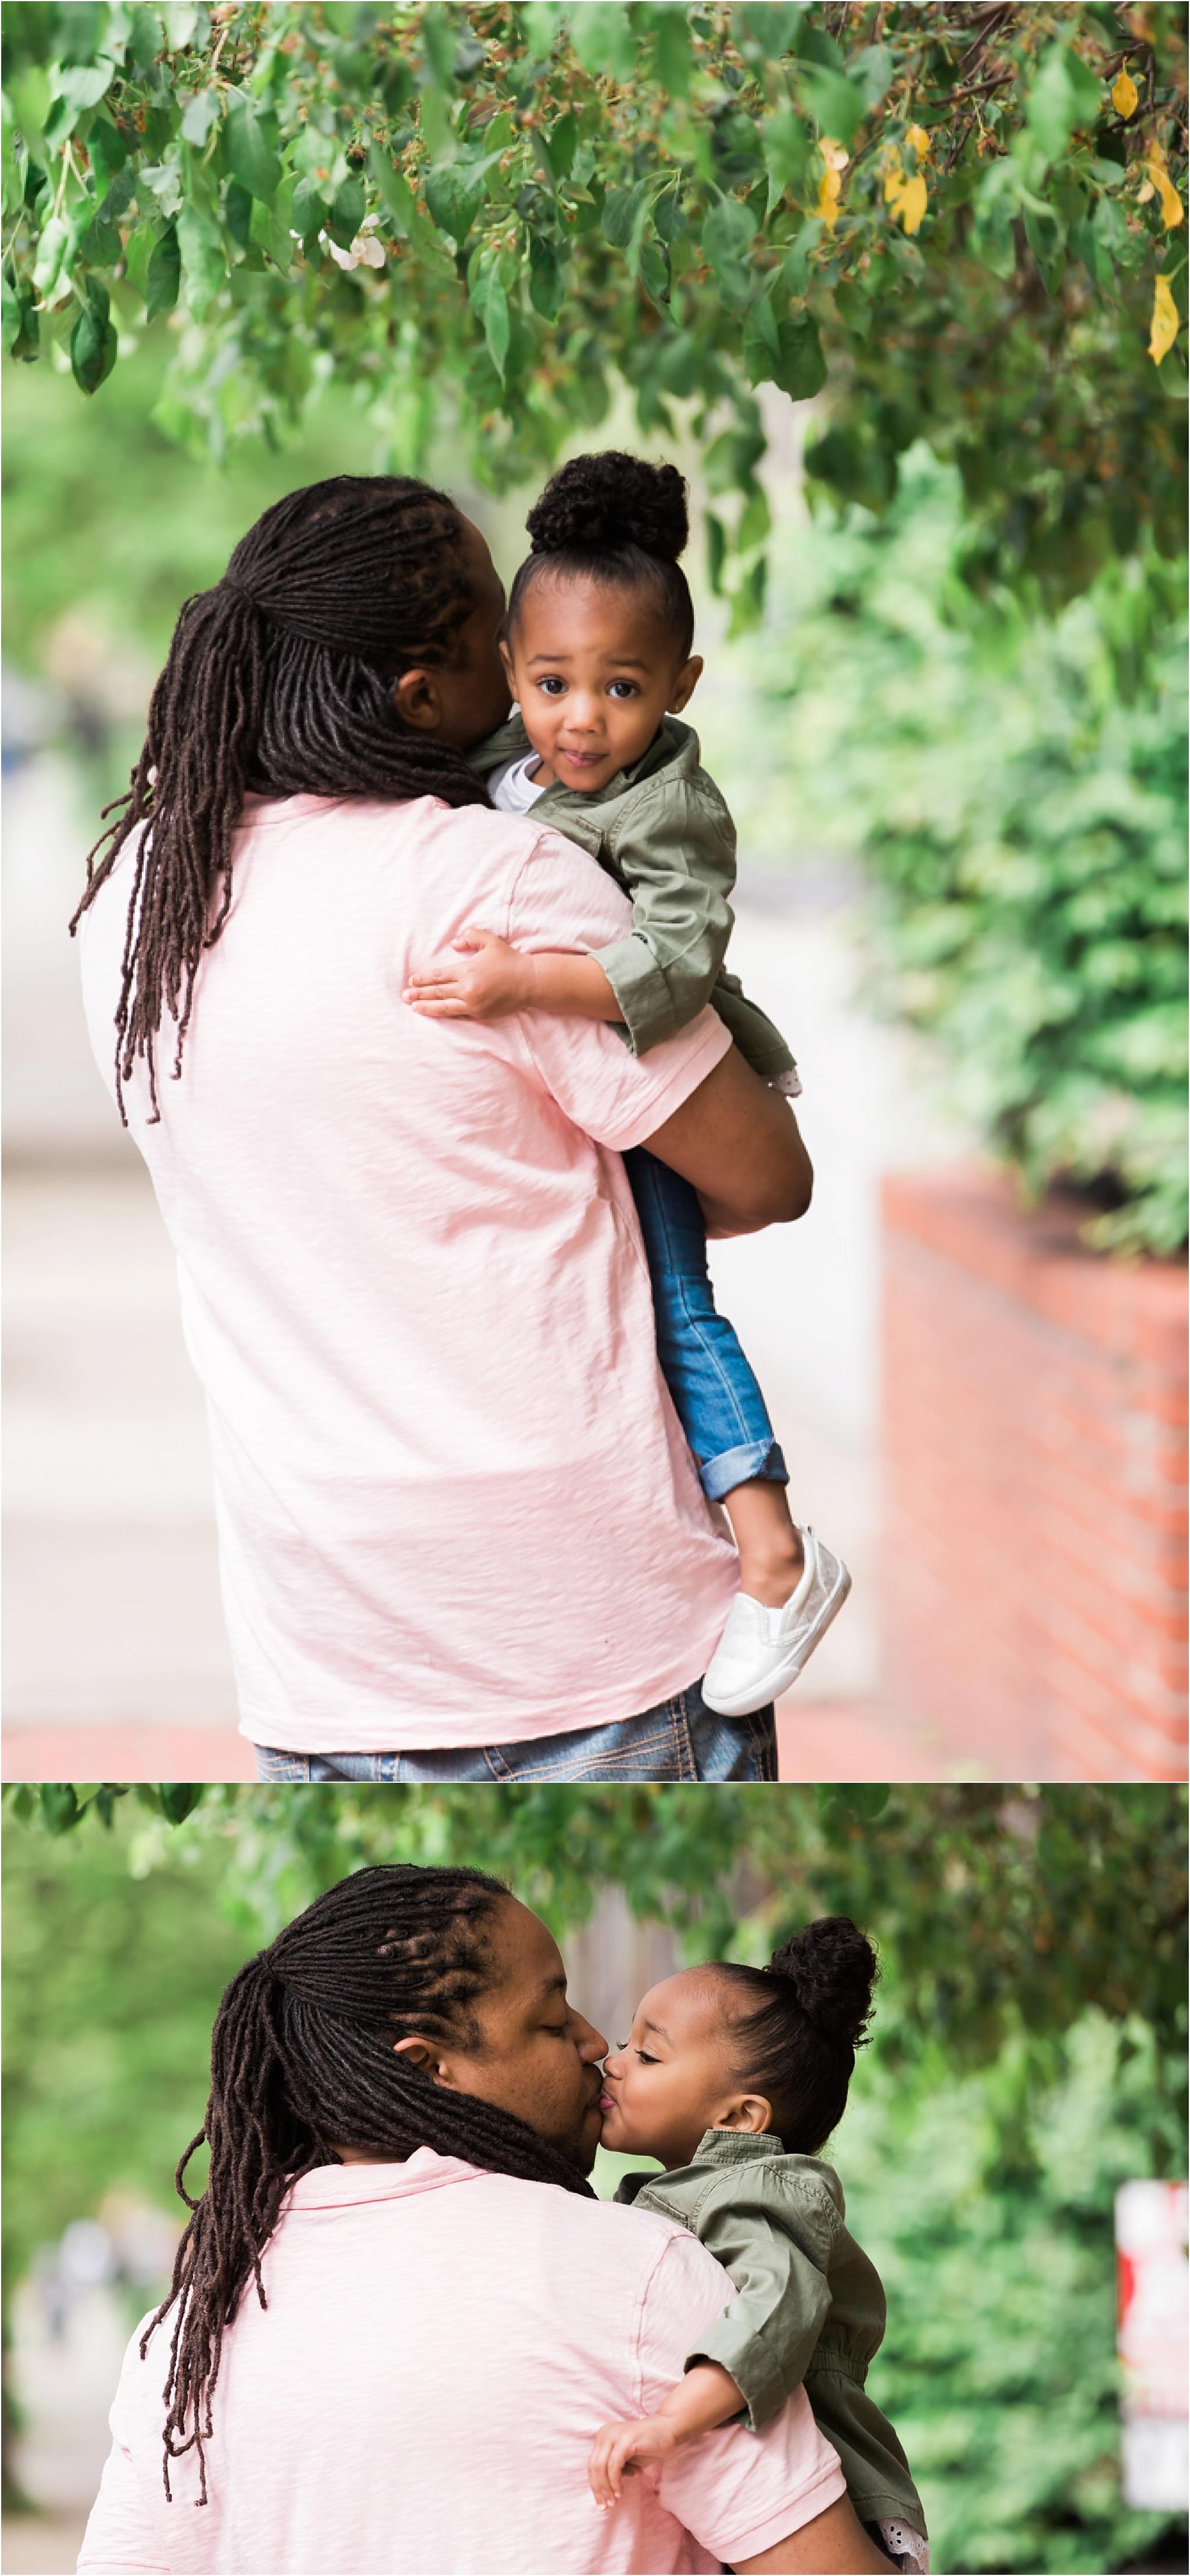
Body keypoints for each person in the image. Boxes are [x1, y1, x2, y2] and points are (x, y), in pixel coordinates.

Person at [74, 475, 815, 1781]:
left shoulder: (143, 893)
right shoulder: (491, 881)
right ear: (425, 696)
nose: (526, 669)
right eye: (496, 641)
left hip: (323, 1649)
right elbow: (764, 1174)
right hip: (591, 1639)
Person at [78, 1864, 895, 2575]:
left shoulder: (188, 2330)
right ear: (432, 2067)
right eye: (551, 2020)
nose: (594, 2041)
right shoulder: (638, 2272)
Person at [407, 451, 851, 1720]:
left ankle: (773, 1544)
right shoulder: (515, 753)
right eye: (551, 683)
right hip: (577, 1107)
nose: (581, 719)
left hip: (655, 1069)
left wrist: (524, 982)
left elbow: (673, 953)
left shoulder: (670, 806)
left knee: (673, 1299)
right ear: (509, 669)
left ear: (680, 686)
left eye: (620, 687)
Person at [588, 1922, 929, 2573]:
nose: (614, 2058)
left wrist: (671, 2423)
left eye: (648, 2055)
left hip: (837, 2503)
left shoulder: (763, 2189)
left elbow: (778, 2301)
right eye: (627, 2040)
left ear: (739, 2118)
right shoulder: (690, 2187)